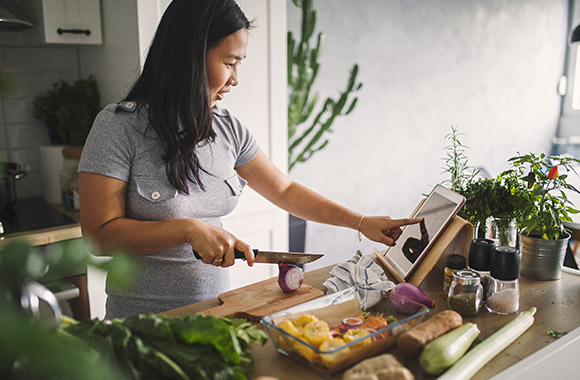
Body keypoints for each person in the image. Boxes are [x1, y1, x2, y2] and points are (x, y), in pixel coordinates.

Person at [78, 0, 421, 319]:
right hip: (141, 325)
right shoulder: (118, 127)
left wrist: (361, 222)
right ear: (189, 56)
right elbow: (99, 236)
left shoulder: (228, 129)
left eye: (239, 64)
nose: (235, 79)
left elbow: (285, 190)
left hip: (215, 315)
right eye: (229, 63)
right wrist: (187, 229)